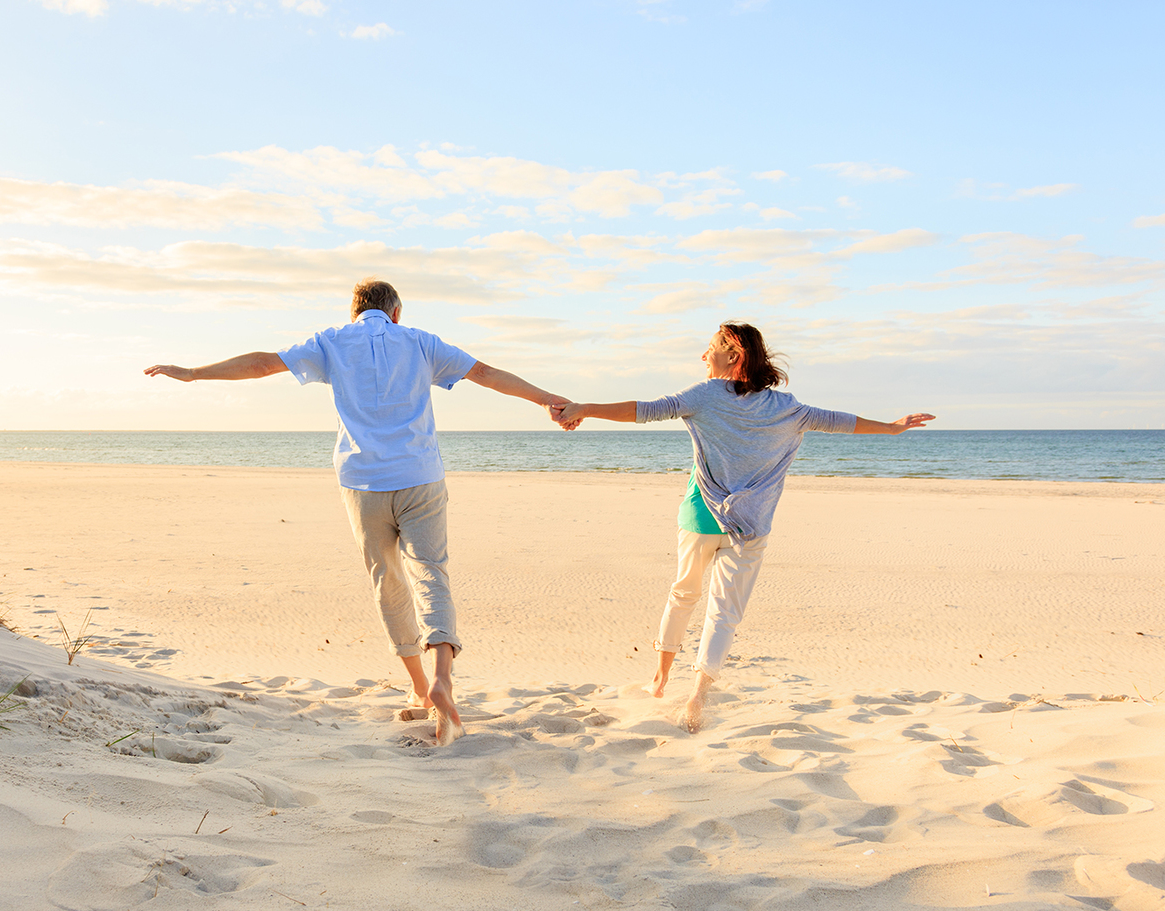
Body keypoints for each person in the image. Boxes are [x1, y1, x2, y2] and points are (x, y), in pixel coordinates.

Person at [145, 279, 573, 745]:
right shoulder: (420, 342)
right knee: (431, 574)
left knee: (386, 581)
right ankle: (442, 678)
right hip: (420, 476)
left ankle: (417, 688)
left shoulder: (332, 341)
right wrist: (551, 400)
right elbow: (486, 374)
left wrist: (190, 373)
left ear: (355, 313)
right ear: (396, 312)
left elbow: (263, 363)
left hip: (362, 483)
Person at [553, 322, 933, 732]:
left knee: (683, 594)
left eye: (710, 348)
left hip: (701, 514)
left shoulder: (704, 395)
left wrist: (584, 408)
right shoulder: (787, 408)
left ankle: (660, 680)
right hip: (751, 523)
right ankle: (697, 696)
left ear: (733, 355)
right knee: (724, 613)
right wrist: (892, 428)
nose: (704, 357)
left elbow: (643, 411)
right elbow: (839, 421)